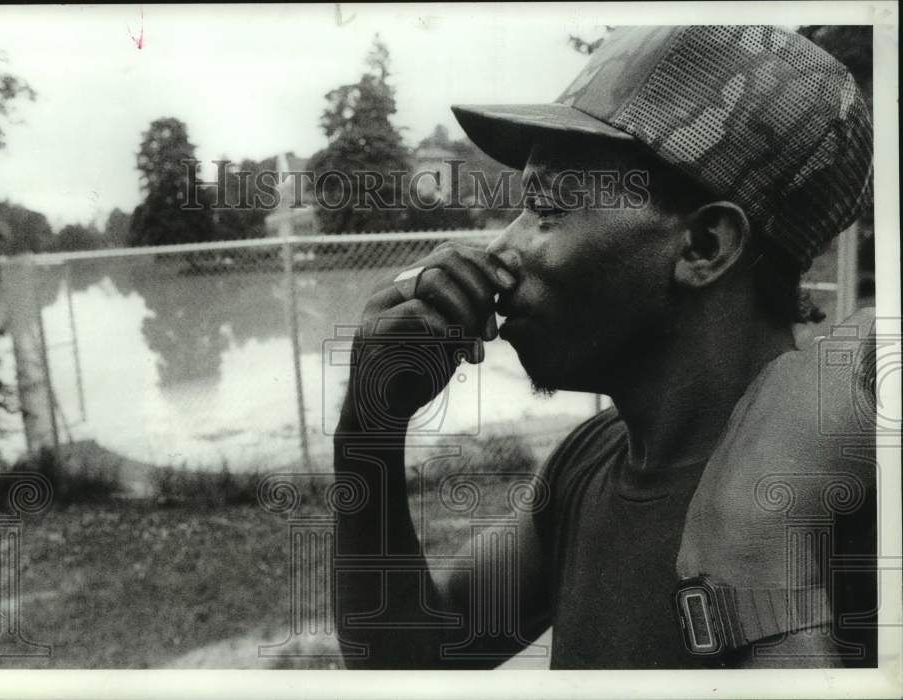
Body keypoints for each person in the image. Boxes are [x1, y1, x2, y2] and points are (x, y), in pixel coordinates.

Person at [332, 25, 876, 669]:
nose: (501, 250)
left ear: (704, 247)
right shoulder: (589, 461)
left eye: (546, 208)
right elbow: (412, 664)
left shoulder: (859, 503)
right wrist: (367, 428)